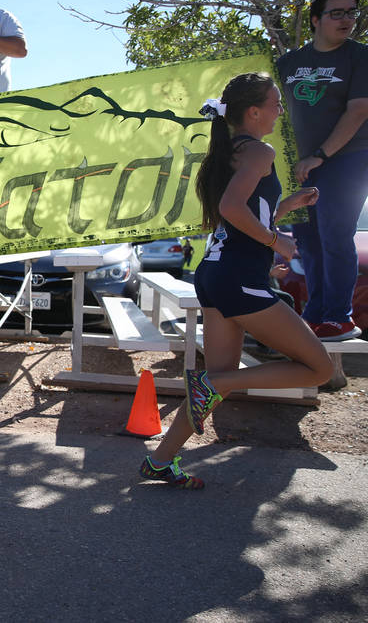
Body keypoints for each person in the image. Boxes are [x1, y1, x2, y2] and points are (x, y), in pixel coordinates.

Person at [138, 73, 332, 489]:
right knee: (317, 368)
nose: (281, 110)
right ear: (254, 111)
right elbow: (231, 209)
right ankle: (216, 381)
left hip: (216, 274)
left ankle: (160, 461)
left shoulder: (232, 150)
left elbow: (243, 215)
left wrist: (283, 209)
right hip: (239, 279)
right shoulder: (259, 151)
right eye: (276, 103)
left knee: (214, 385)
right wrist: (275, 241)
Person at [276, 0, 368, 341]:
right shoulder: (288, 63)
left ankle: (339, 317)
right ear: (315, 20)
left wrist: (320, 155)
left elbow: (359, 111)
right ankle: (315, 314)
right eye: (337, 13)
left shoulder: (362, 57)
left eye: (351, 12)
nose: (347, 20)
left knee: (336, 234)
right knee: (308, 239)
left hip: (348, 158)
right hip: (301, 165)